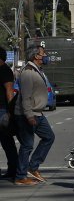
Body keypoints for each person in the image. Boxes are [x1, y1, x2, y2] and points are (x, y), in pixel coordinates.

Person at [14, 45, 55, 185]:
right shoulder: (28, 72)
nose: (45, 56)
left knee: (49, 137)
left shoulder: (37, 70)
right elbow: (25, 97)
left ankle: (33, 167)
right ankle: (20, 176)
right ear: (36, 56)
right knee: (27, 145)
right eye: (43, 53)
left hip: (37, 113)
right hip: (28, 114)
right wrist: (29, 115)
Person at [0, 47, 18, 180]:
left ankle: (13, 168)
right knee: (6, 141)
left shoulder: (5, 71)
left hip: (2, 110)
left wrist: (10, 111)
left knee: (7, 141)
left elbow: (9, 91)